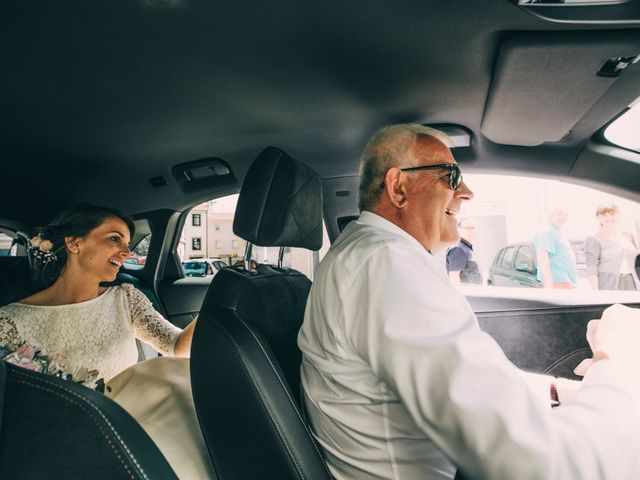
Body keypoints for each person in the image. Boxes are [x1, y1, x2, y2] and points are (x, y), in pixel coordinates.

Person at [298, 124, 640, 480]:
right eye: (451, 175)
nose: (467, 192)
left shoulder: (373, 256)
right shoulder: (385, 265)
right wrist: (612, 358)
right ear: (398, 187)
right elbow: (544, 466)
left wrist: (558, 390)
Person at [0, 204, 213, 479]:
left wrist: (215, 302)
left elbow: (176, 347)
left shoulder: (126, 298)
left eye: (127, 243)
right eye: (115, 239)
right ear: (74, 243)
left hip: (142, 428)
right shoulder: (9, 321)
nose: (127, 252)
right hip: (67, 444)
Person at [585, 204, 639, 290]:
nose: (609, 218)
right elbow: (591, 267)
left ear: (619, 216)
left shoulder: (628, 235)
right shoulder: (593, 238)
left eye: (612, 214)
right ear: (598, 218)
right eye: (604, 215)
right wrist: (595, 291)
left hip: (632, 280)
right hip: (608, 283)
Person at [533, 208, 577, 289]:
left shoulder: (556, 231)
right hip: (557, 283)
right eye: (560, 214)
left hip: (564, 282)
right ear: (550, 215)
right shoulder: (546, 230)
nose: (563, 217)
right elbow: (542, 255)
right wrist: (549, 281)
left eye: (566, 214)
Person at [446, 215, 482, 285]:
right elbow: (454, 278)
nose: (471, 231)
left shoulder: (465, 248)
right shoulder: (458, 249)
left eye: (473, 228)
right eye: (468, 228)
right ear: (458, 229)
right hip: (467, 294)